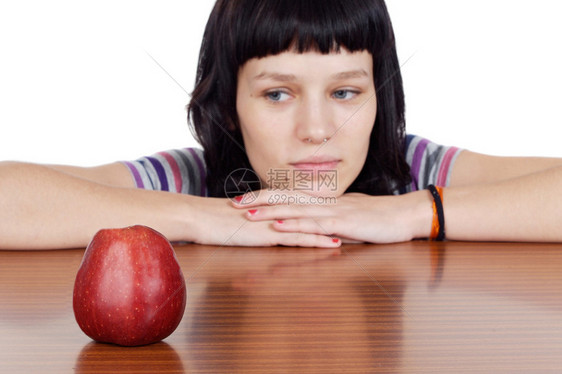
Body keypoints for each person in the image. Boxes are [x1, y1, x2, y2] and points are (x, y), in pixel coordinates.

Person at [0, 0, 560, 250]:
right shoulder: (193, 177)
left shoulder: (411, 170)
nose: (317, 130)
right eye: (276, 93)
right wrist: (208, 218)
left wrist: (412, 211)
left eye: (345, 92)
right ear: (228, 107)